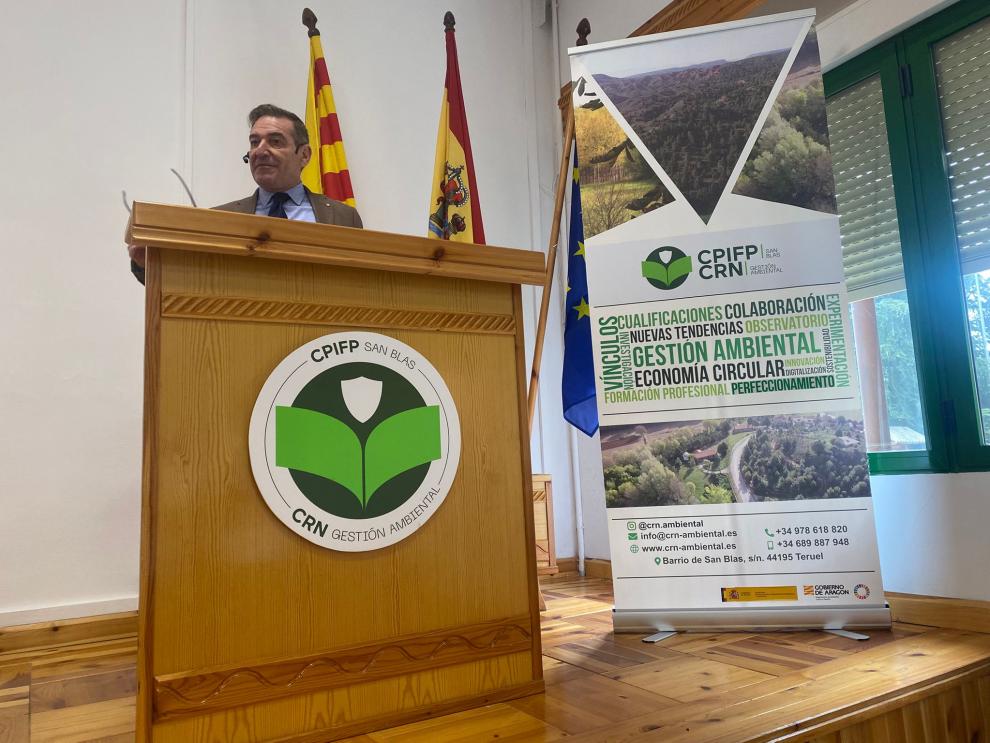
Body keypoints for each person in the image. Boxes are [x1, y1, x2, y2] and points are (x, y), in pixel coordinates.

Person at [128, 103, 362, 284]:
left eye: (275, 141)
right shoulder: (220, 219)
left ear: (304, 155)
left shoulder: (342, 218)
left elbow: (360, 286)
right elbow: (189, 282)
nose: (260, 150)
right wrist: (144, 264)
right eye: (254, 142)